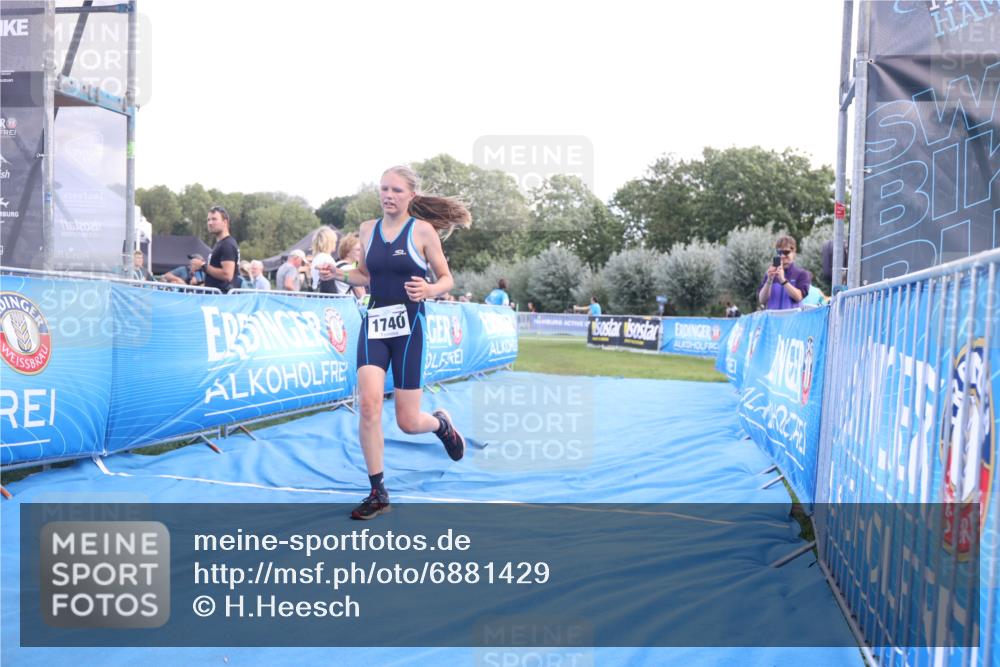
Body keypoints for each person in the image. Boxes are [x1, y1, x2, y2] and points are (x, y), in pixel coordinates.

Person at [335, 165, 471, 520]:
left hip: (410, 327)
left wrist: (429, 289)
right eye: (384, 189)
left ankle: (441, 425)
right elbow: (364, 274)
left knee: (408, 422)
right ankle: (378, 491)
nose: (388, 196)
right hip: (375, 323)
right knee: (368, 404)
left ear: (411, 195)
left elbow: (447, 279)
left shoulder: (423, 231)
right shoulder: (367, 230)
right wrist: (338, 273)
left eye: (396, 190)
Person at [758, 235, 811, 310]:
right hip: (772, 320)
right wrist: (769, 280)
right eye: (779, 252)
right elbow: (762, 300)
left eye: (786, 252)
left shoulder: (802, 274)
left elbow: (799, 297)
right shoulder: (770, 274)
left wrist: (783, 280)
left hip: (792, 320)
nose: (782, 256)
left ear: (794, 253)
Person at [203, 206, 241, 293]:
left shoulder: (227, 244)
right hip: (217, 297)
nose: (210, 223)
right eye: (208, 220)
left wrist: (203, 266)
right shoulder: (221, 243)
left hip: (221, 299)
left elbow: (227, 275)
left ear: (225, 222)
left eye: (214, 219)